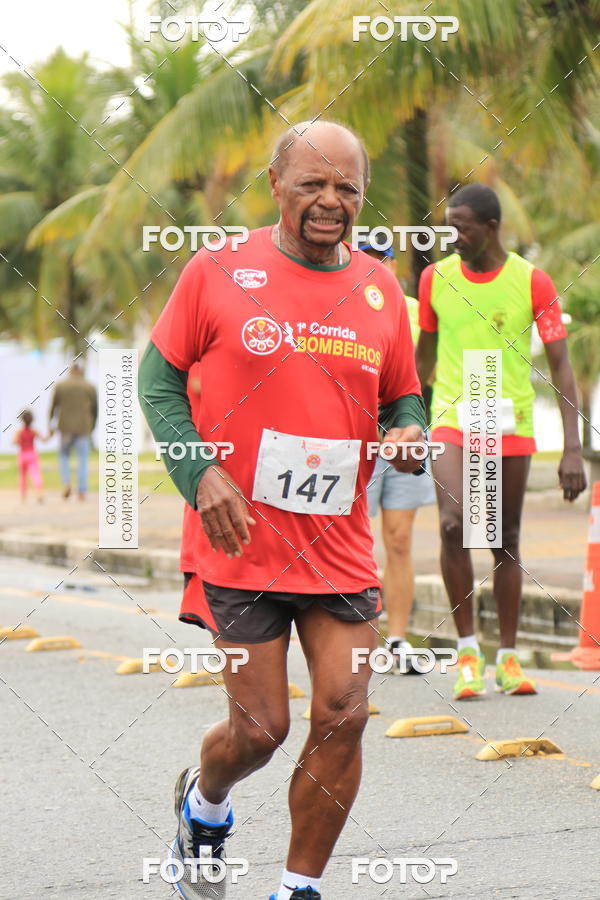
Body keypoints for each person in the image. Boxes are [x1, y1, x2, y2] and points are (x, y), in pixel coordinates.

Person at [139, 120, 427, 900]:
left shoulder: (380, 292)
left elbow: (403, 393)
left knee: (345, 713)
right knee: (260, 730)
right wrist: (198, 471)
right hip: (240, 541)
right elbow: (157, 383)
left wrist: (409, 428)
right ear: (275, 185)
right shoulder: (217, 272)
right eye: (313, 185)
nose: (330, 201)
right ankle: (204, 807)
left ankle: (298, 887)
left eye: (347, 188)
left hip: (337, 544)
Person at [416, 183, 586, 700]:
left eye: (461, 225)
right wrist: (396, 415)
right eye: (449, 224)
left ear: (491, 228)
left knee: (503, 538)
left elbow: (561, 367)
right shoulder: (434, 278)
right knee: (452, 524)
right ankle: (468, 652)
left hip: (506, 421)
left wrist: (572, 448)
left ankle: (507, 660)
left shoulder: (531, 282)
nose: (452, 235)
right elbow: (423, 360)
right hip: (450, 417)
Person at [359, 241, 436, 673]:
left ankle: (399, 640)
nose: (374, 263)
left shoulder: (412, 310)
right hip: (355, 440)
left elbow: (424, 372)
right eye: (365, 254)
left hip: (405, 437)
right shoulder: (339, 304)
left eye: (381, 256)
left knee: (400, 540)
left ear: (391, 263)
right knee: (357, 542)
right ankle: (357, 639)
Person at [48, 363, 97, 500]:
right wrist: (92, 426)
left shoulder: (60, 386)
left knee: (64, 456)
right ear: (81, 371)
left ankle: (67, 483)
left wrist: (50, 425)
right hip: (83, 428)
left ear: (70, 371)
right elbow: (95, 409)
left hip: (65, 427)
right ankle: (82, 490)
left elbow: (53, 407)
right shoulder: (89, 386)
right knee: (82, 459)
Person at [13, 409, 47, 502]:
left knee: (23, 476)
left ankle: (23, 496)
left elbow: (14, 441)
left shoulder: (19, 432)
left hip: (22, 455)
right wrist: (50, 434)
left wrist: (19, 441)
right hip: (32, 454)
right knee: (35, 474)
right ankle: (39, 493)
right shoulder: (34, 431)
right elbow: (44, 440)